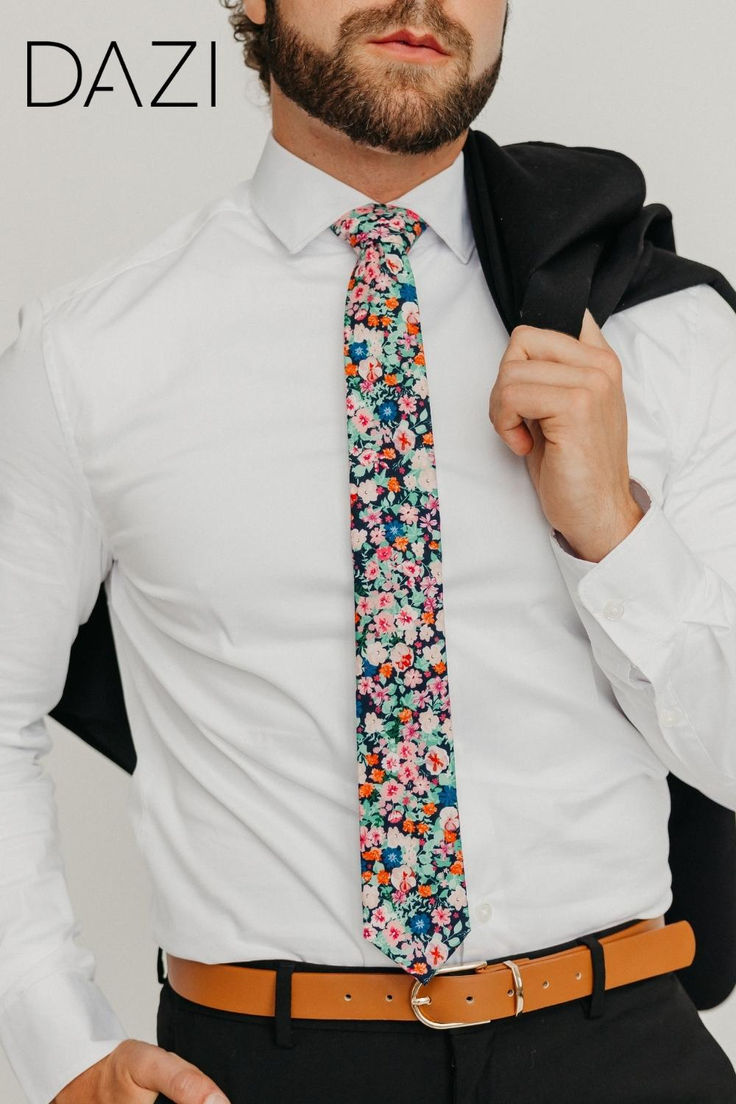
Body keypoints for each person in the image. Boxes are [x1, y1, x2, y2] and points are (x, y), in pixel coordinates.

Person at [1, 0, 736, 1101]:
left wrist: (611, 530)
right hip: (258, 1064)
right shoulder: (93, 353)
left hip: (619, 1049)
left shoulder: (653, 330)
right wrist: (59, 1041)